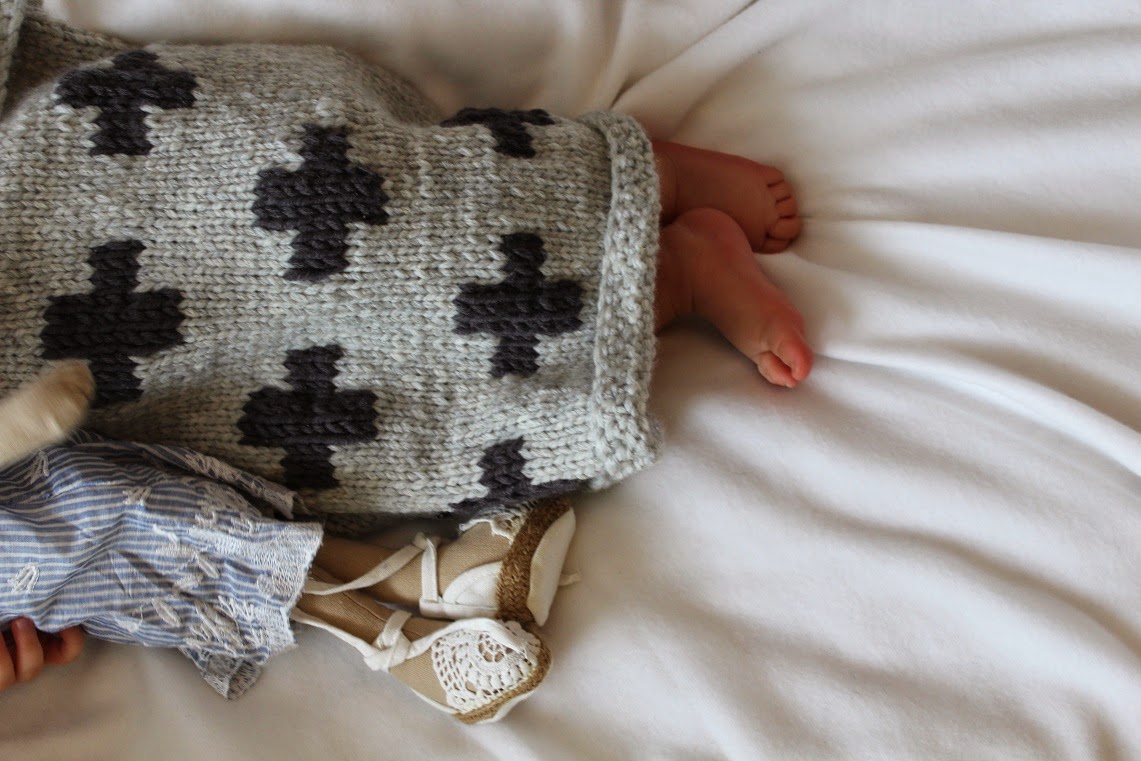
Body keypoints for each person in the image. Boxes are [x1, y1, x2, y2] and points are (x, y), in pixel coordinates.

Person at [0, 0, 811, 721]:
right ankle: (674, 276)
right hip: (71, 446)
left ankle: (632, 177)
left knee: (311, 197)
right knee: (326, 413)